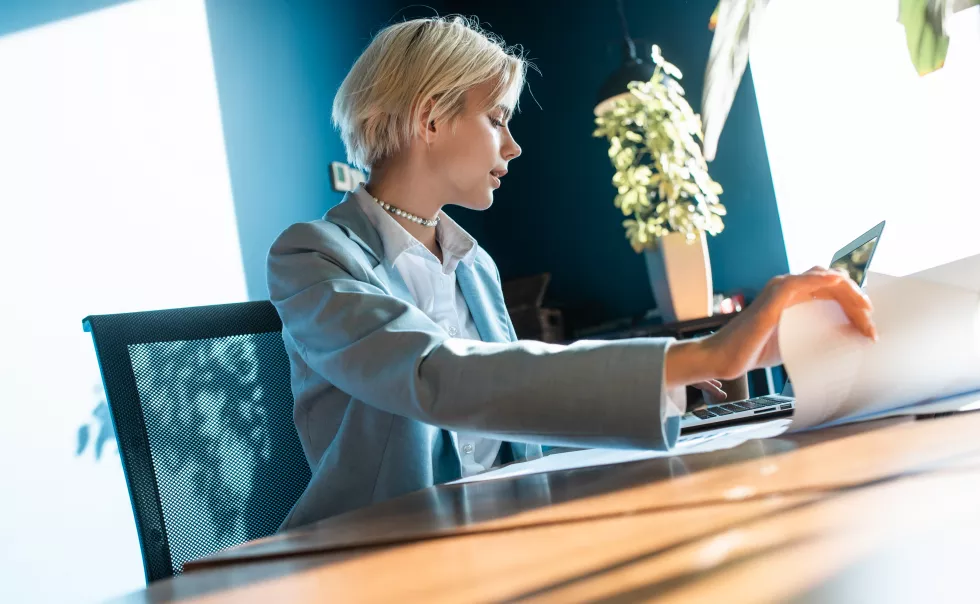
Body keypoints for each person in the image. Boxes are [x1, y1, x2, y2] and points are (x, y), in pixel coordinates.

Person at [267, 15, 878, 530]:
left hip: (498, 529)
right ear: (430, 119)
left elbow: (514, 422)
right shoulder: (313, 258)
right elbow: (439, 376)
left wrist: (672, 403)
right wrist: (700, 357)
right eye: (497, 119)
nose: (513, 146)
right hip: (379, 553)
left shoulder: (474, 265)